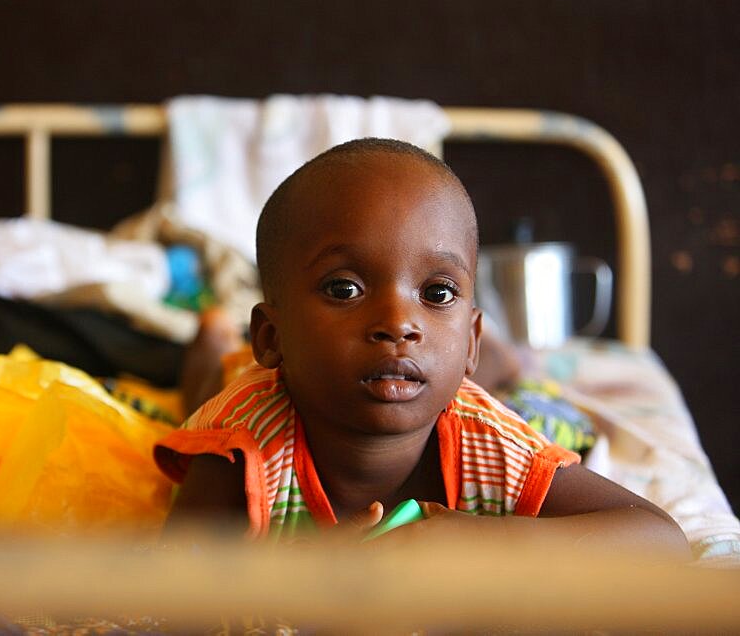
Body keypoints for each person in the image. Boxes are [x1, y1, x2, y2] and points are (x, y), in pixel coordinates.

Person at [154, 138, 688, 556]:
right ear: (270, 337)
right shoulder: (241, 450)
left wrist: (484, 547)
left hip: (471, 383)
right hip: (243, 386)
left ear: (470, 339)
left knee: (519, 397)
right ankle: (212, 338)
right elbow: (170, 592)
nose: (399, 323)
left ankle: (498, 365)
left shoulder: (488, 446)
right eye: (345, 289)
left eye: (437, 293)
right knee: (208, 391)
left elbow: (659, 541)